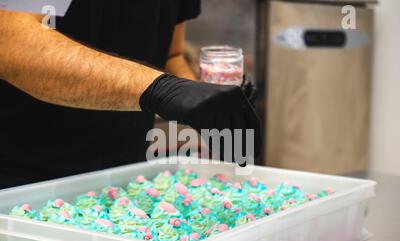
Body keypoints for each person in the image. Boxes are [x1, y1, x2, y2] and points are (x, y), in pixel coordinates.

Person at [0, 0, 260, 189]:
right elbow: (11, 42)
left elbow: (172, 55)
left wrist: (207, 99)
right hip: (25, 188)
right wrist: (162, 89)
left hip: (127, 184)